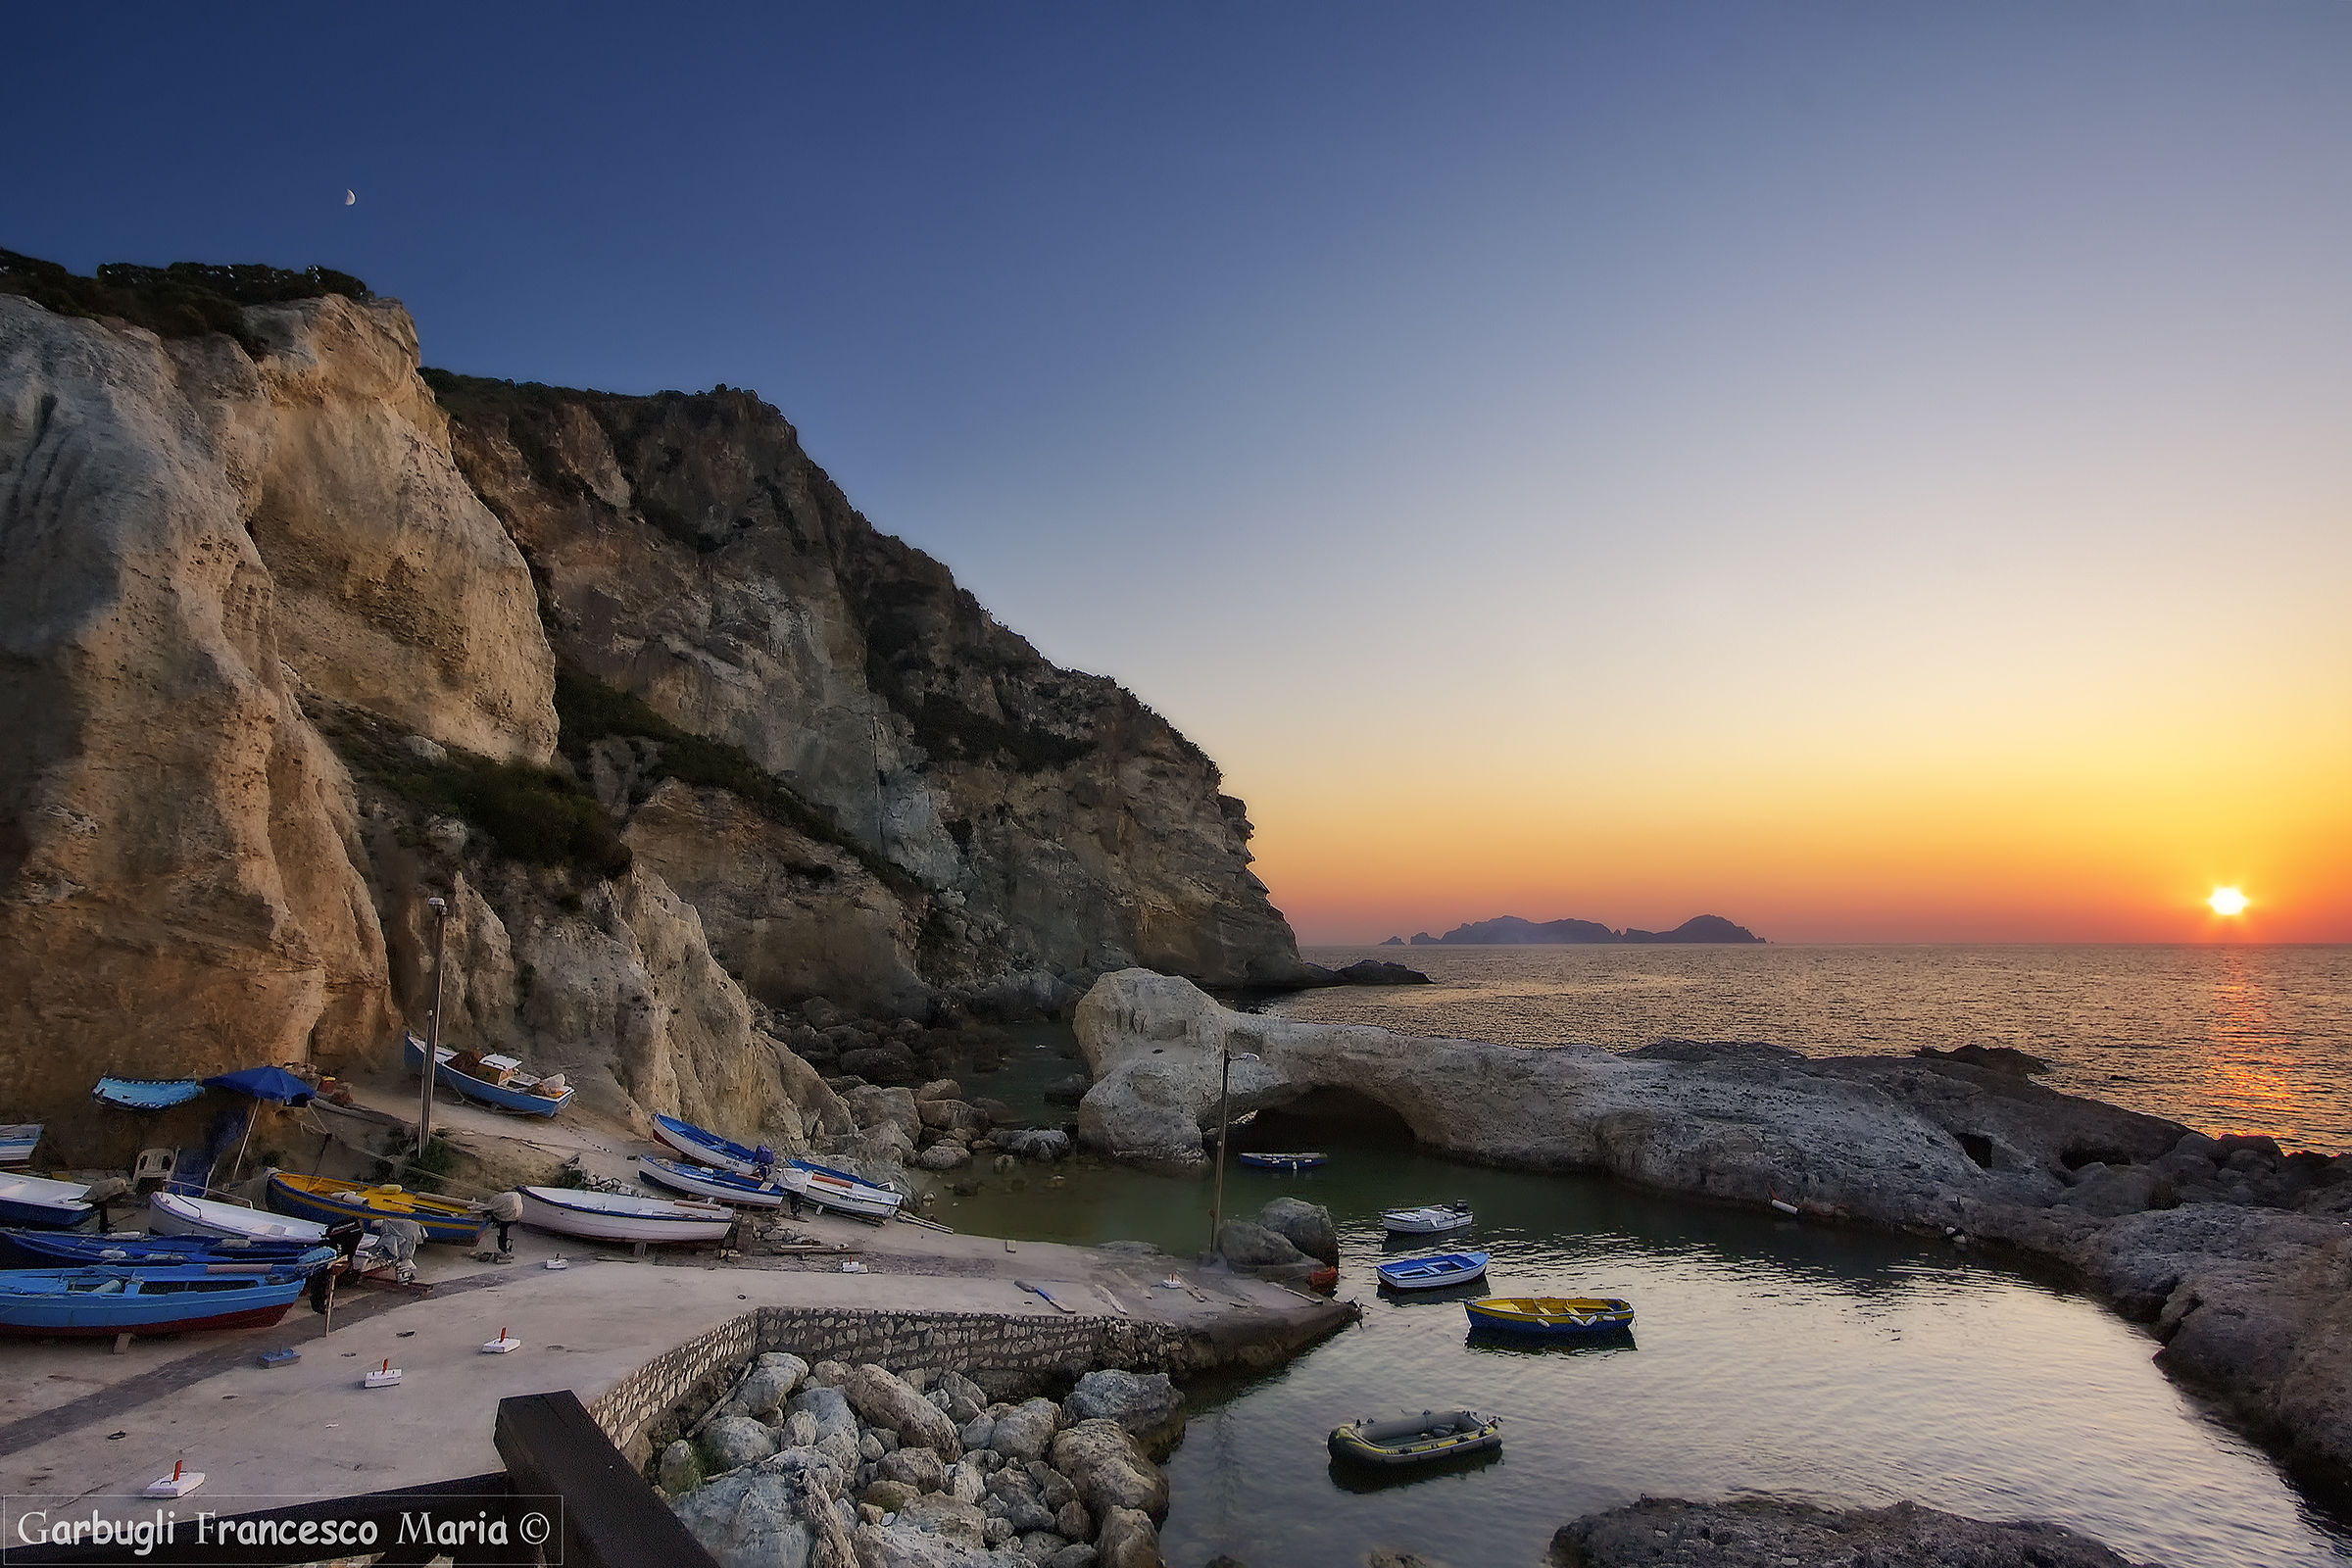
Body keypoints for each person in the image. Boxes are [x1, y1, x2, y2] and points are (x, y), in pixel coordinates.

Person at [485, 1189, 522, 1257]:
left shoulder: (501, 1205)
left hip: (510, 1211)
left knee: (503, 1230)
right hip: (513, 1210)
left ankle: (503, 1248)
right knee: (503, 1230)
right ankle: (503, 1247)